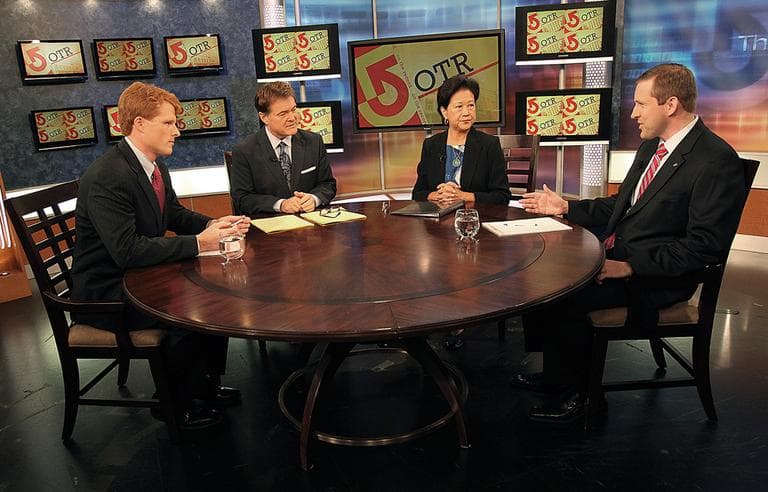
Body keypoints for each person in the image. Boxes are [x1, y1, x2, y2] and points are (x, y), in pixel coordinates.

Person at [514, 63, 747, 423]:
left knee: (564, 293)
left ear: (670, 105)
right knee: (545, 274)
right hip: (622, 256)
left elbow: (704, 247)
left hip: (660, 278)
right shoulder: (653, 147)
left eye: (641, 104)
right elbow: (622, 204)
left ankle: (580, 396)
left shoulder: (716, 161)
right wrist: (566, 206)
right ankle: (558, 373)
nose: (633, 113)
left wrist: (630, 265)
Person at [71, 82, 251, 429]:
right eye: (168, 123)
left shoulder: (152, 166)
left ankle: (204, 387)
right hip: (105, 291)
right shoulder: (110, 176)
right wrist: (202, 242)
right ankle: (174, 403)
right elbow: (127, 251)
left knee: (216, 297)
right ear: (139, 124)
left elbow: (173, 214)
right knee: (191, 310)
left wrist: (214, 223)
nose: (177, 131)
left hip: (135, 276)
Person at [230, 81, 337, 215]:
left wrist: (314, 199)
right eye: (283, 114)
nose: (292, 118)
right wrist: (281, 205)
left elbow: (328, 184)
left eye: (293, 110)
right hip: (269, 226)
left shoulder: (314, 141)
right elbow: (242, 199)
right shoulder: (245, 151)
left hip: (310, 224)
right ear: (264, 117)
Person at [411, 74, 511, 206]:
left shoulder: (489, 145)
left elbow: (502, 196)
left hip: (475, 219)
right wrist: (438, 195)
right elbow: (418, 193)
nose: (466, 112)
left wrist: (462, 196)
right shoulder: (431, 145)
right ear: (444, 112)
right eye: (459, 107)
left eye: (471, 105)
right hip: (437, 221)